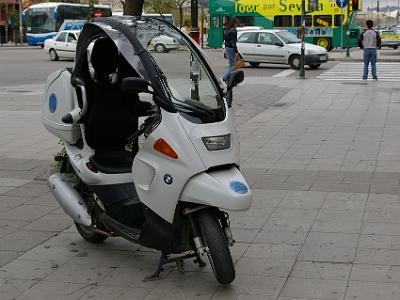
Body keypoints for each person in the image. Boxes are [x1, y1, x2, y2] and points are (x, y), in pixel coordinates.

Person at [223, 18, 239, 83]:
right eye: (237, 24)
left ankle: (228, 79)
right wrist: (236, 51)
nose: (237, 25)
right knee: (233, 65)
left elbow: (225, 40)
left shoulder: (227, 29)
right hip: (231, 47)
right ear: (234, 23)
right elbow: (233, 42)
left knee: (230, 64)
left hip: (227, 47)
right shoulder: (233, 30)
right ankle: (225, 77)